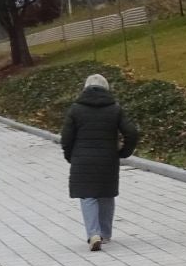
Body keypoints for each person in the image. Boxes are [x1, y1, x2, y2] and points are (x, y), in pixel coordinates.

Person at [60, 72, 139, 252]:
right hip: (108, 158)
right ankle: (105, 233)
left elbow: (66, 137)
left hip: (82, 159)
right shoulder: (115, 108)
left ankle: (93, 233)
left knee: (88, 196)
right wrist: (124, 152)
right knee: (106, 194)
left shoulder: (75, 109)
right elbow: (132, 132)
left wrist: (70, 155)